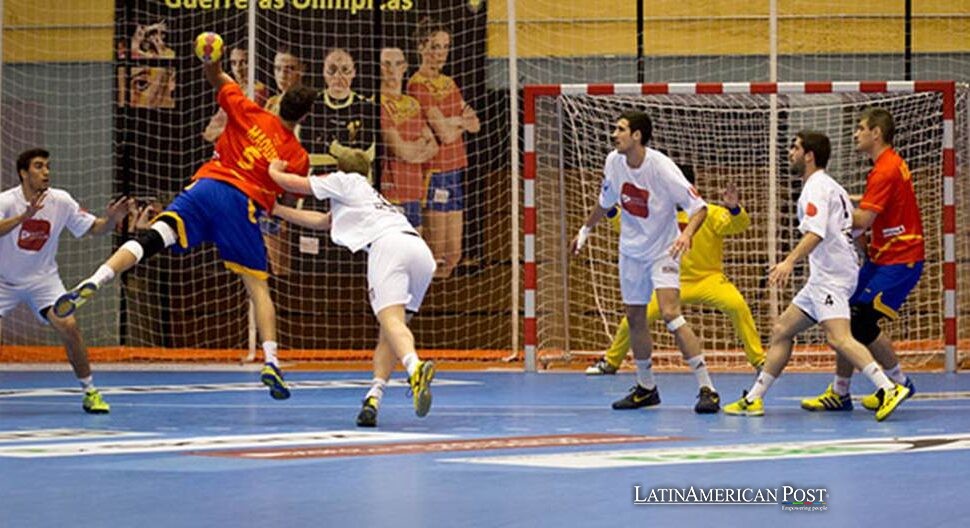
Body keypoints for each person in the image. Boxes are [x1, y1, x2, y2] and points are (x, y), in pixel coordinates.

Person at [54, 40, 318, 401]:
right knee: (257, 286)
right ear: (303, 117)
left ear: (279, 100)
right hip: (242, 203)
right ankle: (271, 360)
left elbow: (216, 76)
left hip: (207, 185)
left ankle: (96, 279)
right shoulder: (298, 156)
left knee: (155, 235)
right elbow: (288, 195)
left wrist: (210, 56)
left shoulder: (249, 111)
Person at [723, 130, 910, 421]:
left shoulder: (816, 188)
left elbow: (816, 233)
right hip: (826, 274)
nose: (790, 153)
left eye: (794, 148)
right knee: (783, 329)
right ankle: (754, 399)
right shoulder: (832, 186)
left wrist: (788, 262)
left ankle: (889, 387)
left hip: (831, 277)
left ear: (809, 155)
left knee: (839, 338)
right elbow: (852, 229)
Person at [267, 149, 437, 427]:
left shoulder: (345, 181)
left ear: (341, 169)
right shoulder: (365, 197)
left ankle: (415, 368)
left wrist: (273, 171)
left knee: (391, 322)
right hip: (420, 252)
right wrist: (275, 210)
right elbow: (322, 222)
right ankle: (374, 397)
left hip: (389, 246)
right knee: (391, 332)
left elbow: (295, 185)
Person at [570, 111, 720, 414]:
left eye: (620, 129)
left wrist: (687, 234)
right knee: (635, 318)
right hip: (630, 252)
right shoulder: (614, 162)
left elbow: (699, 207)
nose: (614, 134)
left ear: (637, 135)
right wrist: (585, 230)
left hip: (663, 251)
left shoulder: (662, 168)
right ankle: (646, 387)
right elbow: (606, 201)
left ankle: (708, 388)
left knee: (670, 314)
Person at [801, 108, 922, 412]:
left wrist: (829, 210)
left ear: (876, 134)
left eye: (860, 128)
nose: (855, 134)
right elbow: (867, 220)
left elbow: (863, 219)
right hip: (881, 257)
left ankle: (898, 384)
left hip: (901, 258)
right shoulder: (881, 167)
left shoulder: (886, 170)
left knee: (861, 320)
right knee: (846, 316)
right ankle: (841, 393)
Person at [585, 176, 765, 376]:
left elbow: (738, 225)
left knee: (737, 306)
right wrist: (609, 208)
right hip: (670, 282)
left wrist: (733, 208)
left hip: (709, 279)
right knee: (635, 317)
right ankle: (611, 361)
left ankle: (760, 361)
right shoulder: (655, 215)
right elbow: (626, 226)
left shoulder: (710, 212)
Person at [0, 148, 132, 413]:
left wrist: (112, 220)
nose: (46, 172)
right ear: (23, 173)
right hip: (3, 280)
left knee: (69, 326)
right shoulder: (5, 202)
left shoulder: (60, 201)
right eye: (38, 166)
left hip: (43, 281)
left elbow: (94, 228)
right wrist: (24, 217)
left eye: (47, 166)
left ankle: (90, 392)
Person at [408, 19, 480, 278]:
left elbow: (476, 124)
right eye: (434, 47)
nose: (440, 53)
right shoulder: (417, 85)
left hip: (455, 170)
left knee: (454, 255)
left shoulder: (450, 83)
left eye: (445, 47)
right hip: (434, 172)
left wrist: (454, 123)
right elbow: (446, 135)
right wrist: (458, 122)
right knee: (435, 253)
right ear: (421, 47)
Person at [379, 47, 438, 229]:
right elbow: (402, 151)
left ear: (404, 67)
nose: (391, 70)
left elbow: (434, 146)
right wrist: (420, 145)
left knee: (416, 251)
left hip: (415, 190)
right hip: (391, 191)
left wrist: (413, 152)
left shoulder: (412, 103)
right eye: (386, 64)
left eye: (397, 64)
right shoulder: (377, 103)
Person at [304, 48, 377, 173]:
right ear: (323, 71)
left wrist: (332, 148)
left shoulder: (366, 107)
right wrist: (345, 153)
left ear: (354, 72)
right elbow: (306, 152)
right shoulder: (311, 104)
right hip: (319, 180)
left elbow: (367, 155)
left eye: (345, 70)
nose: (338, 76)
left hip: (354, 180)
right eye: (332, 70)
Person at [203, 42, 270, 143]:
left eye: (244, 62)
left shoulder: (258, 91)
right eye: (233, 63)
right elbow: (209, 132)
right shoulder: (234, 87)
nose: (238, 69)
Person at [263, 47, 304, 117]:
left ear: (302, 70)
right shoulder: (271, 103)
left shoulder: (307, 104)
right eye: (278, 68)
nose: (282, 75)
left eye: (289, 69)